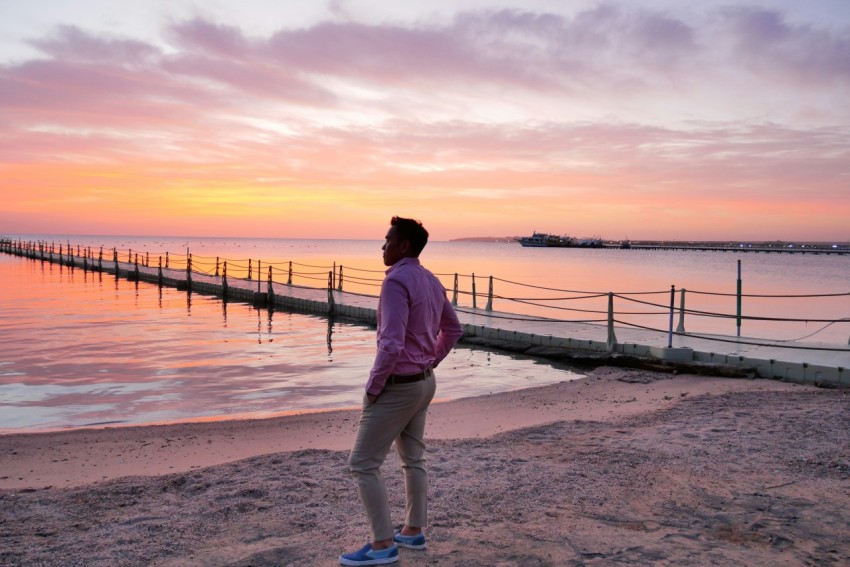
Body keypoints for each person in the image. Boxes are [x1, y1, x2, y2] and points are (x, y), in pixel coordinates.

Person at [339, 217, 464, 566]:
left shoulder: (395, 281)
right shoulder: (430, 279)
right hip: (424, 383)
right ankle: (412, 531)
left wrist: (373, 386)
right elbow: (453, 330)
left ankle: (382, 545)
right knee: (413, 458)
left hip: (400, 386)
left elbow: (391, 344)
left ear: (404, 245)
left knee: (363, 463)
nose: (383, 246)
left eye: (388, 239)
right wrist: (430, 361)